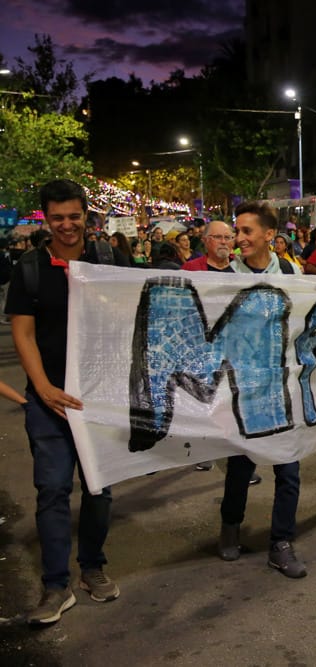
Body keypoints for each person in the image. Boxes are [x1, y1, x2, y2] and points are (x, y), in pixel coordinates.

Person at [5, 180, 120, 625]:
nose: (67, 225)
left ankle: (92, 567)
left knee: (98, 488)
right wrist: (43, 387)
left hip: (99, 400)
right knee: (52, 489)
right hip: (49, 402)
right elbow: (23, 332)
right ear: (46, 219)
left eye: (74, 216)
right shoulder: (30, 268)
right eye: (58, 218)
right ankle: (56, 585)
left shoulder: (108, 259)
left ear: (87, 215)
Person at [218, 201, 316, 579]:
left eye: (246, 231)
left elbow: (312, 311)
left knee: (289, 467)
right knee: (241, 466)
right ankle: (230, 525)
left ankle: (281, 542)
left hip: (284, 387)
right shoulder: (224, 277)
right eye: (236, 232)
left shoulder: (290, 271)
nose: (239, 238)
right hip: (242, 388)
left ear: (269, 235)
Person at [181, 221, 262, 482]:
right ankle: (205, 448)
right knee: (208, 402)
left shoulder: (242, 268)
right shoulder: (191, 269)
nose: (225, 242)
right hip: (203, 348)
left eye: (229, 237)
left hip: (238, 348)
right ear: (205, 241)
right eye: (218, 237)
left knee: (236, 406)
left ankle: (240, 464)